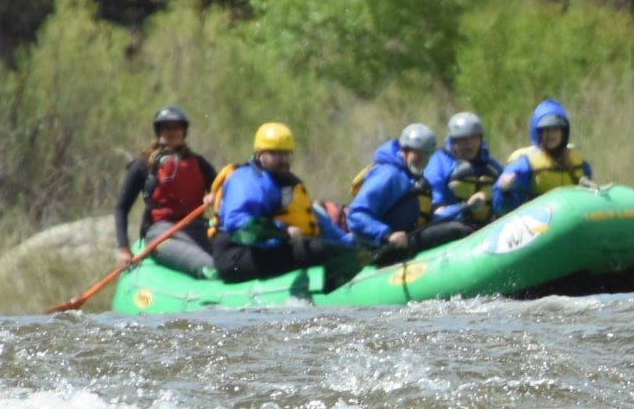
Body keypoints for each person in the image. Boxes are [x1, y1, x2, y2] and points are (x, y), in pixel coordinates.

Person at [208, 122, 360, 288]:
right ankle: (338, 289)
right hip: (235, 255)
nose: (283, 160)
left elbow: (313, 221)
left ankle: (352, 272)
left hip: (270, 247)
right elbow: (238, 225)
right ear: (260, 154)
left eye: (286, 154)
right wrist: (281, 231)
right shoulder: (246, 179)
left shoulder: (287, 183)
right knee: (317, 249)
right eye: (276, 154)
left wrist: (351, 244)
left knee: (336, 248)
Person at [112, 105, 216, 278]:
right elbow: (121, 208)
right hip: (161, 234)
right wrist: (123, 248)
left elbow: (223, 191)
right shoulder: (143, 165)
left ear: (184, 131)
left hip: (197, 229)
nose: (172, 132)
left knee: (229, 261)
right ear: (159, 131)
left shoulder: (198, 163)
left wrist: (216, 195)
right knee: (209, 266)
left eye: (176, 127)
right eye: (167, 127)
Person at [346, 123, 472, 265]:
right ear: (404, 150)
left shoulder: (417, 180)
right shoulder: (387, 174)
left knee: (463, 227)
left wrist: (464, 207)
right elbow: (356, 215)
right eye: (418, 153)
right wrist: (386, 234)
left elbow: (428, 219)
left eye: (427, 154)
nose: (423, 159)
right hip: (384, 248)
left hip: (407, 242)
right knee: (456, 231)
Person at [496, 98, 593, 210]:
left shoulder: (580, 164)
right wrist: (504, 192)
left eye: (555, 130)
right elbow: (503, 209)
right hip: (537, 222)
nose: (550, 135)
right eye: (545, 130)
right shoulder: (524, 165)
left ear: (563, 132)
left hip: (572, 220)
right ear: (538, 134)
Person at [427, 111, 503, 228]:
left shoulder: (491, 166)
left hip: (485, 229)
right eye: (462, 140)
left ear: (480, 140)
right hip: (449, 229)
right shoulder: (438, 163)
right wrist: (466, 207)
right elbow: (435, 211)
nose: (469, 145)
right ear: (452, 142)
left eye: (474, 138)